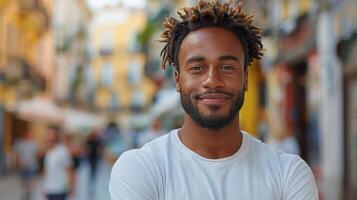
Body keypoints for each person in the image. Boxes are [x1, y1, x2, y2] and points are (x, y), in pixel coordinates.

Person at [109, 1, 318, 199]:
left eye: (227, 67)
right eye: (197, 68)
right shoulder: (141, 169)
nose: (212, 80)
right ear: (178, 80)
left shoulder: (289, 174)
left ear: (245, 79)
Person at [43, 126, 75, 200]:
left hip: (60, 190)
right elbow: (47, 171)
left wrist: (72, 187)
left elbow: (70, 170)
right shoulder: (49, 152)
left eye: (51, 135)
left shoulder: (62, 151)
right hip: (50, 189)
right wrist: (45, 187)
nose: (49, 138)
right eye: (48, 135)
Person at [14, 130, 38, 200]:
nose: (28, 136)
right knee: (23, 180)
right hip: (23, 166)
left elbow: (36, 153)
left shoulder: (34, 143)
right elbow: (17, 154)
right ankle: (25, 191)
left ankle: (30, 193)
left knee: (30, 179)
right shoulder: (20, 143)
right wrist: (20, 162)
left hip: (32, 165)